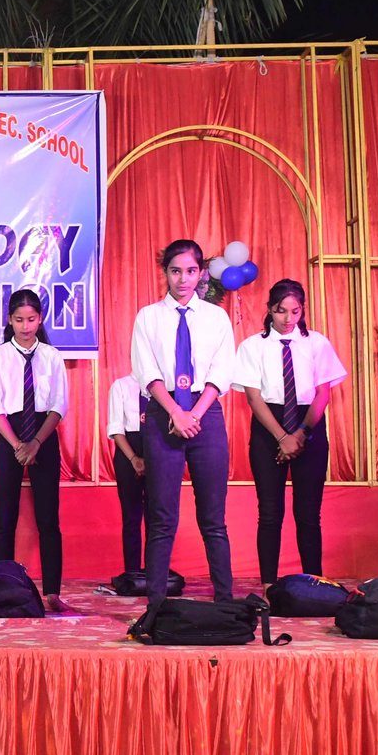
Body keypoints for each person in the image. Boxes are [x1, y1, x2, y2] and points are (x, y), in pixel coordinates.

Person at [130, 239, 237, 605]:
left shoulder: (216, 318)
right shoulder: (148, 317)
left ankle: (225, 603)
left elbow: (221, 371)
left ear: (201, 273)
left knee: (213, 519)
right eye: (175, 271)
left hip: (206, 415)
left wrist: (194, 414)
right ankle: (156, 605)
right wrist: (176, 412)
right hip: (164, 414)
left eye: (191, 271)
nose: (183, 279)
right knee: (161, 518)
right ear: (165, 272)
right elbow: (146, 370)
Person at [231, 279, 347, 590]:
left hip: (308, 425)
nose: (288, 318)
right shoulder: (253, 346)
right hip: (269, 426)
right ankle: (269, 584)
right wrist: (282, 437)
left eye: (295, 311)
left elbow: (323, 393)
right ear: (270, 309)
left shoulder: (316, 343)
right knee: (270, 513)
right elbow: (253, 397)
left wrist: (301, 433)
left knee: (308, 513)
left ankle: (314, 582)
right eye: (281, 311)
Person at [0, 289, 71, 611]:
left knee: (49, 517)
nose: (25, 326)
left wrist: (36, 443)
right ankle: (1, 588)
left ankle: (53, 591)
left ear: (40, 319)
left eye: (31, 319)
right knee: (5, 517)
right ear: (9, 320)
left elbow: (59, 405)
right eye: (19, 320)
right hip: (9, 435)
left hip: (43, 435)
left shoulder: (52, 356)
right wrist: (18, 444)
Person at [105, 372, 148, 581]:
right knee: (131, 516)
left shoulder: (163, 386)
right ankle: (132, 572)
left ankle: (155, 571)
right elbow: (116, 428)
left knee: (157, 518)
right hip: (127, 449)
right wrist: (134, 459)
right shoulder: (121, 385)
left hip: (157, 448)